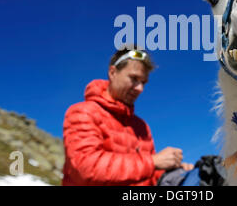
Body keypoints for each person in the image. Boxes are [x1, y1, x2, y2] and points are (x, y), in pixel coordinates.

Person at [62, 46, 194, 186]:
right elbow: (87, 168)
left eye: (143, 82)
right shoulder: (83, 112)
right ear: (112, 72)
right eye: (134, 78)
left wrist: (174, 170)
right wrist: (153, 162)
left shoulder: (142, 127)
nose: (140, 89)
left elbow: (149, 175)